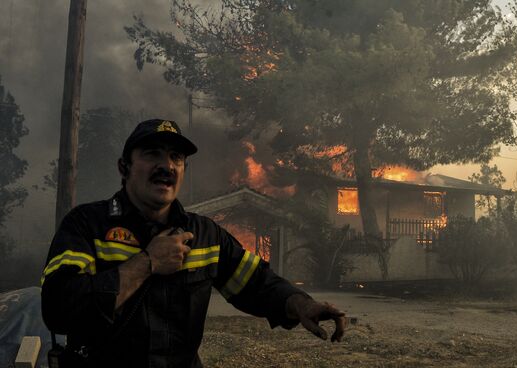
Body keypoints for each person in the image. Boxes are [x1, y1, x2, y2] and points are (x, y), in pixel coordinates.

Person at [41, 119, 346, 367]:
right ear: (124, 168)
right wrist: (147, 263)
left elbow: (257, 283)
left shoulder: (206, 236)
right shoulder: (86, 224)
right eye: (152, 154)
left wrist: (302, 304)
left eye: (176, 157)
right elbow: (58, 308)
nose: (167, 165)